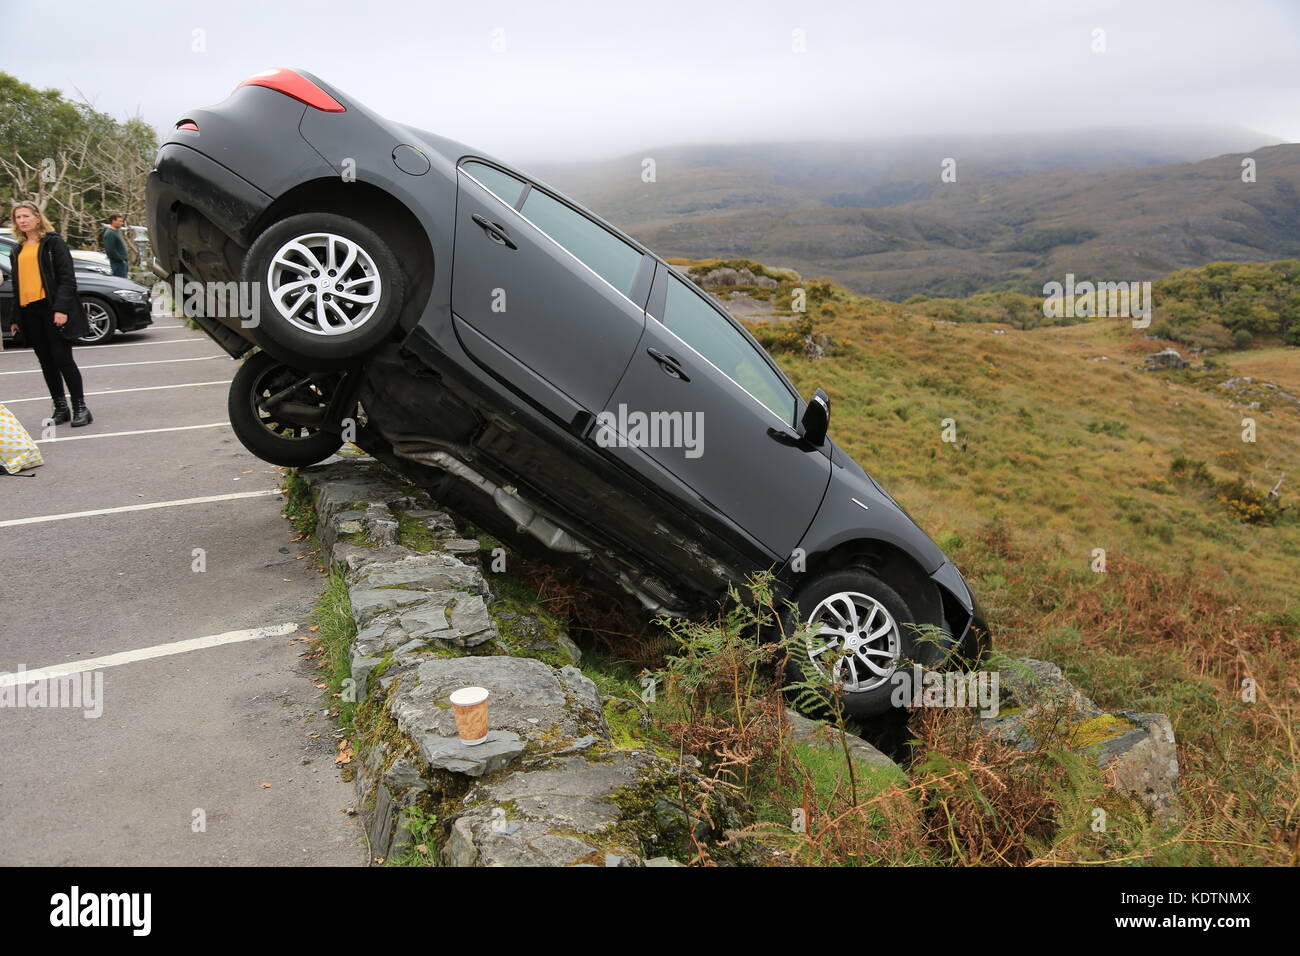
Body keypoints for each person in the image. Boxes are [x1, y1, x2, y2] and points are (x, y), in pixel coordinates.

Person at [7, 201, 93, 427]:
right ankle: (60, 408)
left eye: (26, 216)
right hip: (30, 312)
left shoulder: (53, 243)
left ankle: (81, 408)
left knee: (63, 359)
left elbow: (67, 279)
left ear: (37, 217)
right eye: (18, 217)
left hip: (51, 309)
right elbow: (18, 286)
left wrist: (61, 309)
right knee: (46, 362)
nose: (22, 220)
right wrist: (16, 318)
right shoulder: (17, 249)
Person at [102, 213, 130, 278]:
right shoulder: (110, 233)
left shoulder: (116, 232)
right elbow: (110, 250)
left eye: (122, 221)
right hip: (117, 263)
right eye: (120, 221)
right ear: (113, 221)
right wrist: (120, 259)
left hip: (122, 263)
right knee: (121, 281)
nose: (122, 223)